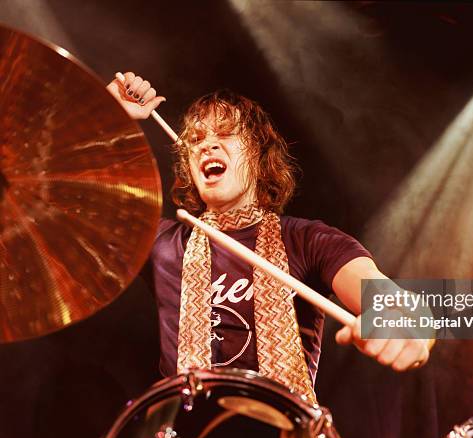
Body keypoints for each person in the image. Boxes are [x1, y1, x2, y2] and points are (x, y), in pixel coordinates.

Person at [106, 72, 434, 404]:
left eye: (226, 134)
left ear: (260, 157)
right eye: (196, 139)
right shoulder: (161, 242)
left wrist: (411, 324)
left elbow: (388, 297)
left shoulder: (308, 240)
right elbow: (69, 209)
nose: (207, 144)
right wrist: (107, 120)